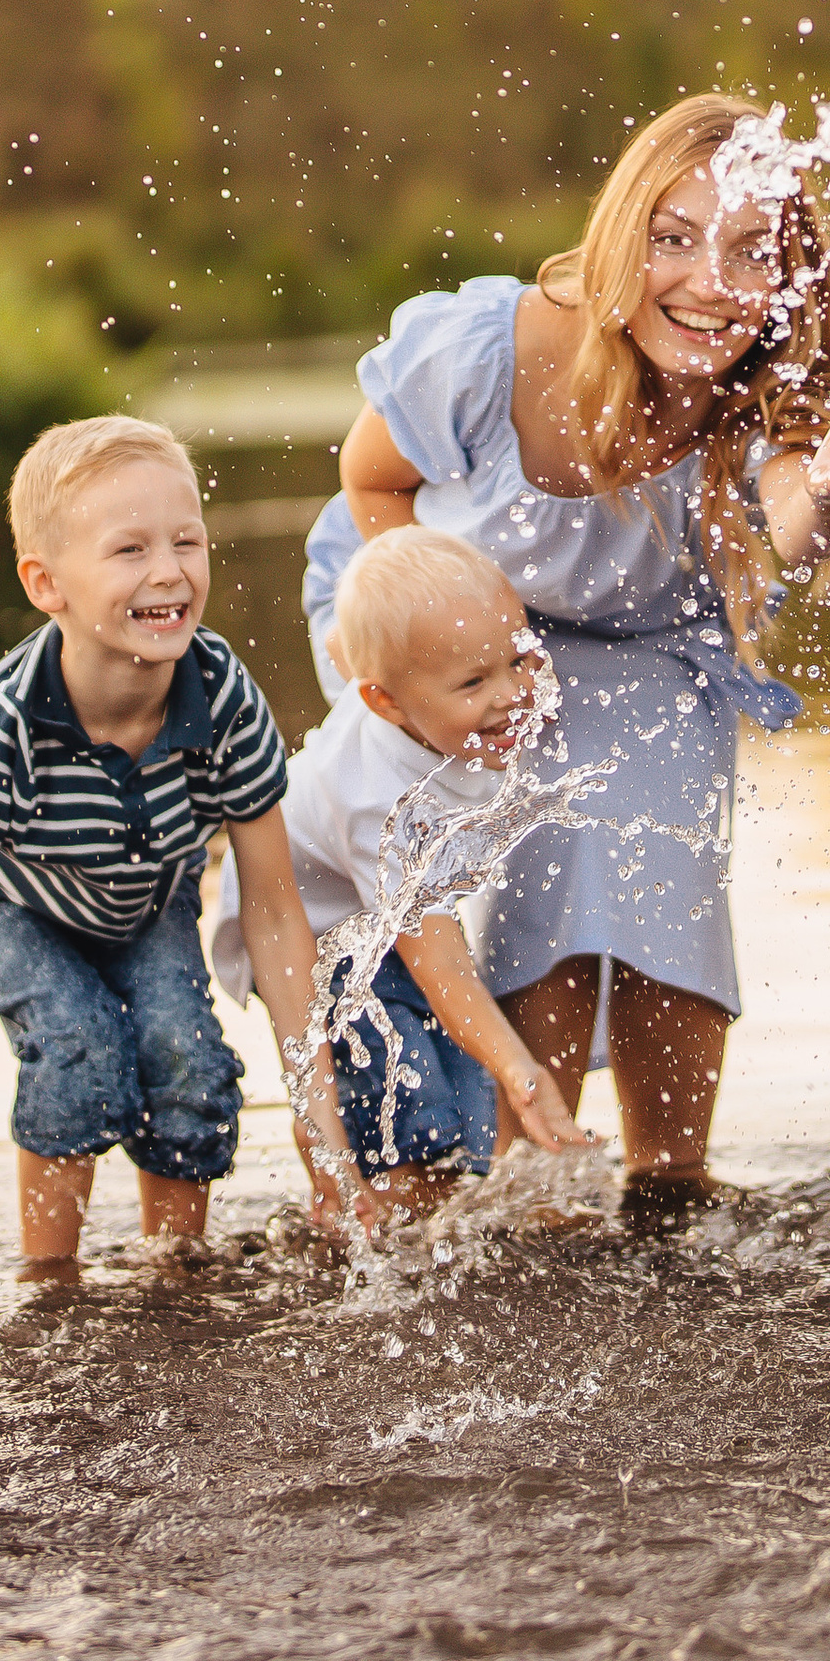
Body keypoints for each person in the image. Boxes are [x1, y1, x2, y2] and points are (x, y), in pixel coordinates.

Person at [298, 95, 830, 1192]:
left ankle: (667, 1177)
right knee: (528, 830)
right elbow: (370, 483)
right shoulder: (492, 348)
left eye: (747, 253)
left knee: (649, 828)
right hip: (429, 630)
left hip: (648, 644)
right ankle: (523, 1175)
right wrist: (456, 660)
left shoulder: (772, 384)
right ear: (624, 234)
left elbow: (786, 522)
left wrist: (824, 484)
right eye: (670, 240)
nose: (705, 282)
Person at [0, 415, 353, 1295]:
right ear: (46, 584)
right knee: (81, 1042)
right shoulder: (4, 725)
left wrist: (324, 1143)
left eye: (186, 541)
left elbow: (278, 919)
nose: (169, 571)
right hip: (3, 901)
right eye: (128, 550)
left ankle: (177, 1277)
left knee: (188, 1063)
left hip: (140, 892)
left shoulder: (225, 700)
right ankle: (50, 1288)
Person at [214, 526, 593, 1231]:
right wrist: (522, 1069)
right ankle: (369, 1224)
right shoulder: (378, 802)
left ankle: (441, 1223)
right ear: (385, 702)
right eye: (474, 682)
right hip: (316, 941)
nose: (511, 694)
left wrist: (498, 1069)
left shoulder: (446, 724)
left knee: (464, 1102)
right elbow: (440, 964)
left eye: (516, 661)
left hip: (388, 929)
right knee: (402, 1099)